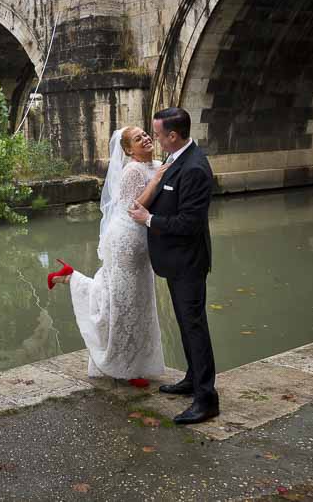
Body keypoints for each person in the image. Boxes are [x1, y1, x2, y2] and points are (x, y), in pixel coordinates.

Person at [47, 126, 168, 386]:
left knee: (138, 299)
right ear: (128, 150)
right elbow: (132, 208)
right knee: (124, 303)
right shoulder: (132, 171)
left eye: (146, 134)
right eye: (138, 138)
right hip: (126, 240)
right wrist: (157, 180)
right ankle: (124, 367)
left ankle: (71, 277)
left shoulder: (157, 164)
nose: (146, 138)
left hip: (143, 241)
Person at [128, 107, 219, 425]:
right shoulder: (174, 158)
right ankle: (193, 379)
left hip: (188, 261)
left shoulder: (194, 167)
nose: (154, 138)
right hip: (175, 260)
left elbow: (189, 224)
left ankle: (206, 399)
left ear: (173, 136)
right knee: (185, 323)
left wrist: (149, 219)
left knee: (195, 327)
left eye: (158, 133)